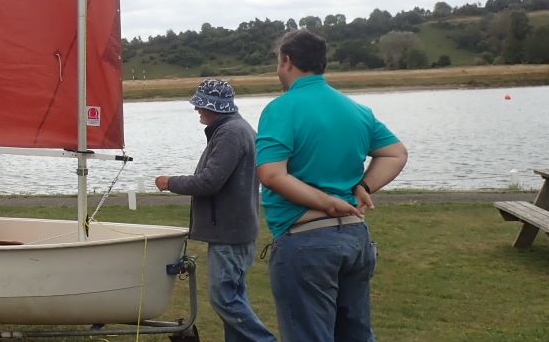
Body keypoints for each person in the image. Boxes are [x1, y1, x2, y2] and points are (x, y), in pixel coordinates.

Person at [256, 30, 408, 341]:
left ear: (286, 61)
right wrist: (364, 185)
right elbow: (396, 153)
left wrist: (325, 202)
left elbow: (271, 174)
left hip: (306, 241)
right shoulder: (356, 109)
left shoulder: (281, 108)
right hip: (355, 238)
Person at [156, 78, 276, 342]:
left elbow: (209, 181)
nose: (197, 110)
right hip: (235, 230)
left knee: (224, 298)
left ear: (215, 107)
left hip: (229, 233)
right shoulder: (235, 129)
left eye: (201, 105)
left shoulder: (230, 133)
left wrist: (169, 183)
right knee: (233, 296)